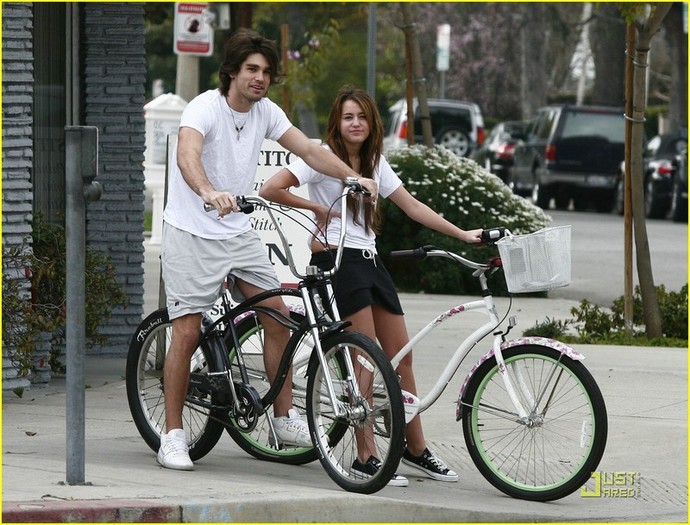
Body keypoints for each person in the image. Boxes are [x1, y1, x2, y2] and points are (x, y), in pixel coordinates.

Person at [158, 31, 378, 471]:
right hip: (192, 230)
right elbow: (188, 156)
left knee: (277, 315)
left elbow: (311, 153)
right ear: (233, 72)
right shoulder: (204, 108)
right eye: (252, 70)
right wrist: (208, 191)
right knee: (185, 331)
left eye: (266, 72)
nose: (260, 79)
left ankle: (282, 418)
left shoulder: (266, 112)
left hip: (236, 233)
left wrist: (351, 178)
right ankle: (173, 434)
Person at [260, 86, 483, 486]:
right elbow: (271, 189)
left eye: (361, 116)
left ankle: (415, 449)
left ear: (372, 123)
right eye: (348, 117)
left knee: (401, 358)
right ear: (337, 122)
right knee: (364, 357)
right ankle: (366, 456)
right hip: (337, 262)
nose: (355, 123)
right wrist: (318, 211)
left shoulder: (376, 164)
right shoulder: (320, 157)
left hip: (370, 261)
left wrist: (463, 234)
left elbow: (413, 207)